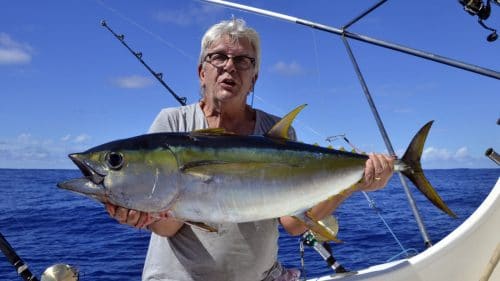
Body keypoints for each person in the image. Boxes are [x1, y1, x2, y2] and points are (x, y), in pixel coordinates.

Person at [105, 18, 394, 281]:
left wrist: (353, 183)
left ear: (254, 78)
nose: (229, 66)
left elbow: (293, 223)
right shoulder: (173, 122)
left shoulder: (276, 131)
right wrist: (146, 212)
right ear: (201, 72)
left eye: (243, 61)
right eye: (218, 57)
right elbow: (167, 228)